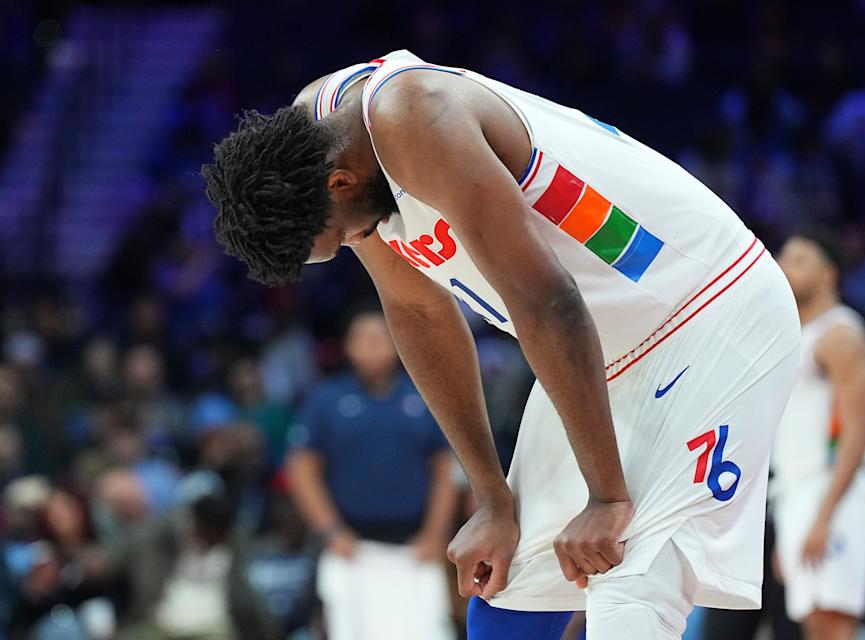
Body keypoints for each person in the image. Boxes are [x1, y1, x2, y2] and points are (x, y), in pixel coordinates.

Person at [202, 49, 801, 638]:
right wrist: (491, 497)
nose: (364, 241)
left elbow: (550, 303)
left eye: (350, 234)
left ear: (340, 181)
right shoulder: (324, 143)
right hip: (603, 346)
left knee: (630, 578)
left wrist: (607, 495)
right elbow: (417, 309)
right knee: (505, 591)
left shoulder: (414, 116)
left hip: (707, 308)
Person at [286, 310, 458, 640]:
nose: (373, 347)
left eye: (380, 338)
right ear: (348, 347)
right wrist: (330, 530)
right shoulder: (326, 400)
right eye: (363, 339)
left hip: (414, 546)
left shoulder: (423, 397)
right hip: (350, 546)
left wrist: (436, 532)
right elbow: (301, 468)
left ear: (396, 341)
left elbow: (445, 468)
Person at [773, 232, 865, 640]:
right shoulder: (795, 336)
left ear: (828, 275)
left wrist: (824, 515)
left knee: (834, 629)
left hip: (835, 490)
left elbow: (856, 432)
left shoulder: (841, 335)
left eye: (800, 259)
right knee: (815, 626)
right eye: (783, 256)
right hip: (799, 491)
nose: (786, 265)